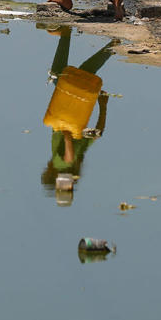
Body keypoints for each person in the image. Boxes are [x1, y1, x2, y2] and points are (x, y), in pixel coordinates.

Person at [41, 26, 116, 200]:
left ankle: (112, 46)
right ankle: (66, 34)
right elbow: (68, 157)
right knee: (60, 75)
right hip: (66, 112)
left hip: (76, 110)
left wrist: (103, 105)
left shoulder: (78, 162)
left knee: (81, 73)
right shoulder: (62, 165)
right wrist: (67, 135)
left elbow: (97, 134)